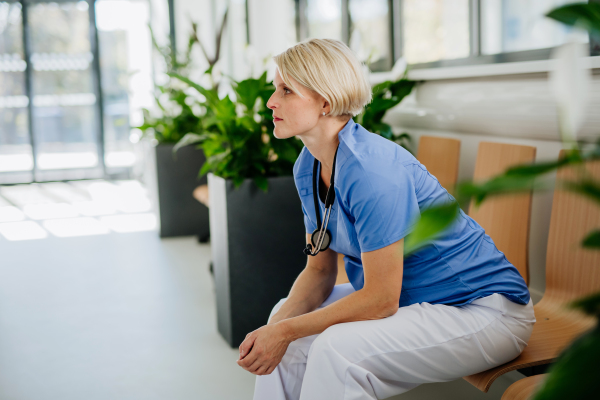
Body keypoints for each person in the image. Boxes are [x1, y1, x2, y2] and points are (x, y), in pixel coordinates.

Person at [236, 38, 535, 400]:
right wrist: (276, 331)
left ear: (325, 101)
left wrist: (284, 332)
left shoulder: (373, 171)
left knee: (336, 349)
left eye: (286, 90)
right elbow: (319, 272)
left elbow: (380, 300)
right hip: (415, 300)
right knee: (280, 320)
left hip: (482, 310)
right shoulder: (308, 167)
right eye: (274, 88)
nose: (271, 101)